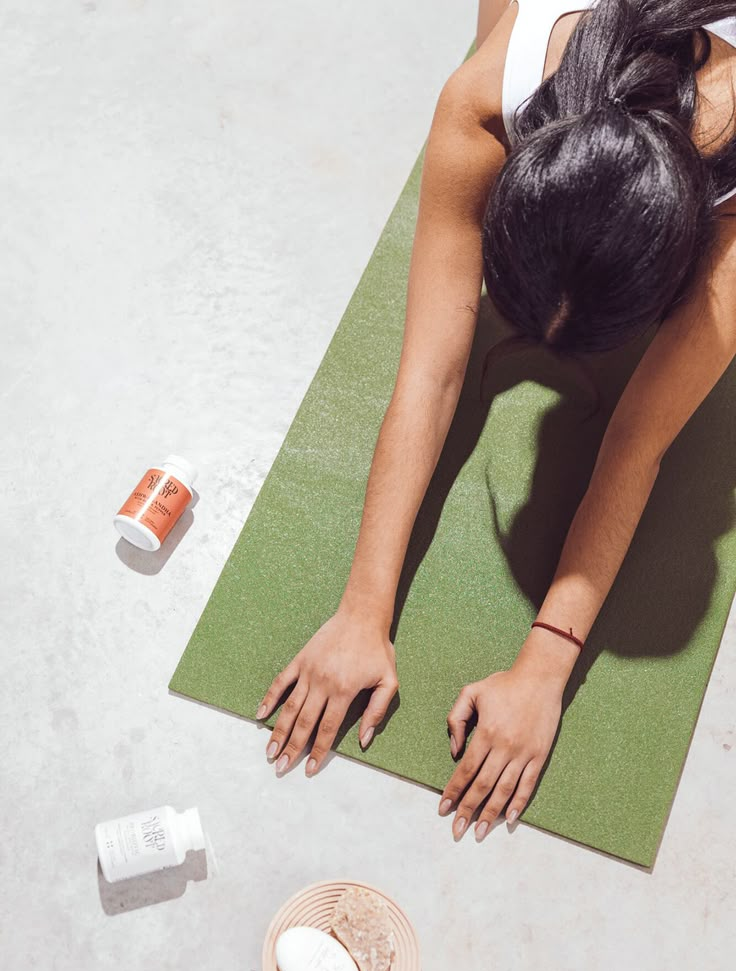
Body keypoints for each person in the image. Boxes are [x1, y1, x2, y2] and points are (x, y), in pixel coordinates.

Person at [255, 0, 736, 842]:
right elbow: (433, 370)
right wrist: (361, 609)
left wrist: (546, 662)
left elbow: (639, 436)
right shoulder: (486, 95)